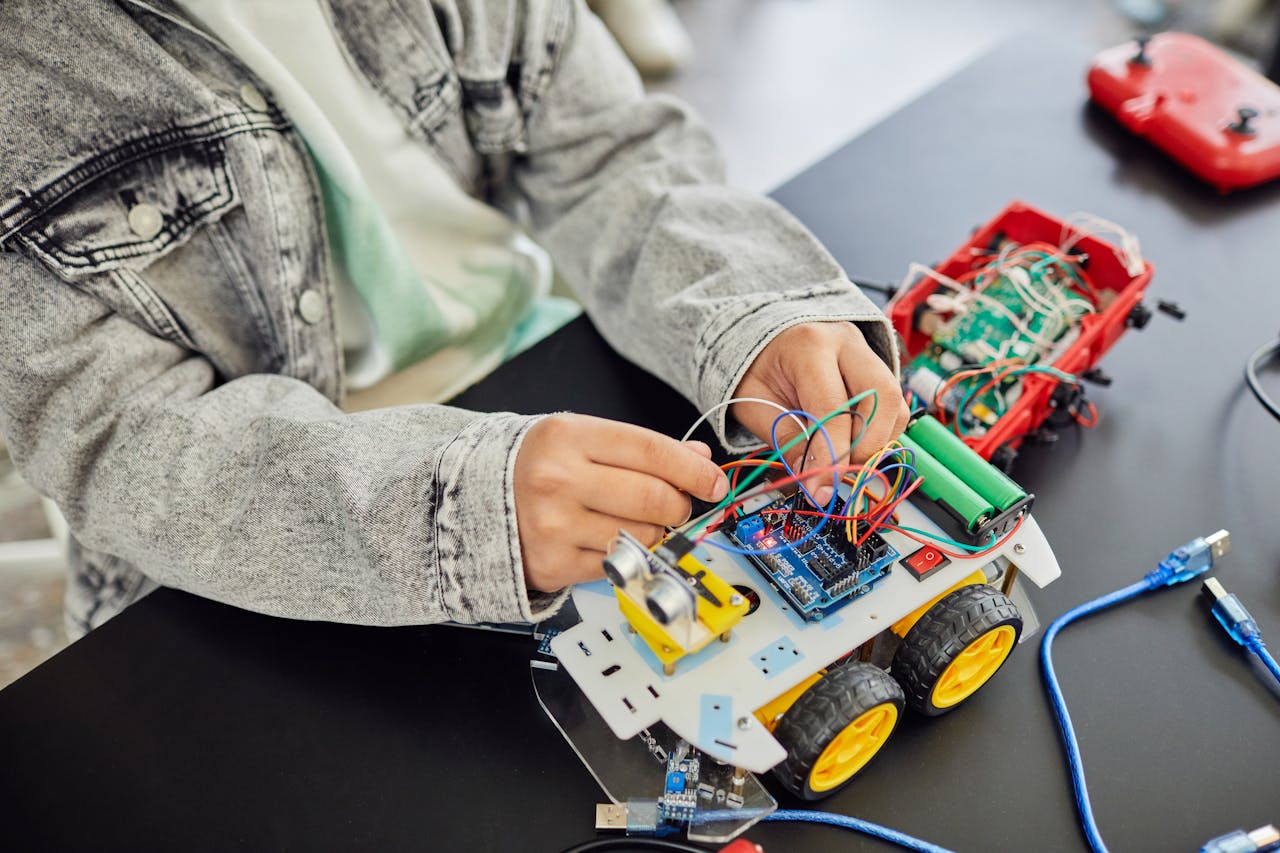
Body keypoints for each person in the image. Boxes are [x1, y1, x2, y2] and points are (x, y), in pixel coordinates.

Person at [0, 0, 908, 639]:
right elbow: (115, 440)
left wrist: (752, 309)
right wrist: (456, 512)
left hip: (539, 390)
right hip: (238, 550)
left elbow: (605, 155)